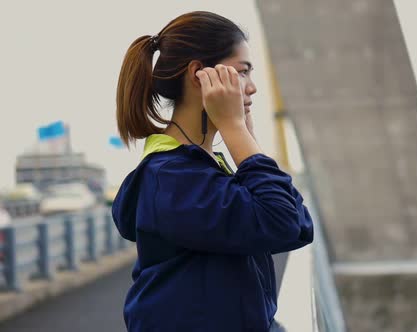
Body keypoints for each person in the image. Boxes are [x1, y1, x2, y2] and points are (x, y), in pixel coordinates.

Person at [111, 11, 313, 331]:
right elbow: (283, 223)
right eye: (242, 71)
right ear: (199, 75)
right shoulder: (170, 178)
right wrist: (235, 130)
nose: (252, 88)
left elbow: (300, 226)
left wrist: (246, 140)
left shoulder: (201, 170)